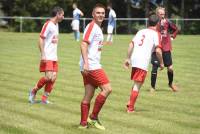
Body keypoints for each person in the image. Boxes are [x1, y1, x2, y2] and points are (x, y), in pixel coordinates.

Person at [79, 4, 112, 130]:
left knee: (89, 94)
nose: (101, 15)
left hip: (88, 65)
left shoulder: (98, 27)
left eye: (103, 13)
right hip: (91, 65)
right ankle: (93, 117)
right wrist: (86, 63)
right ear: (93, 14)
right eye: (98, 13)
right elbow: (83, 44)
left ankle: (82, 124)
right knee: (107, 89)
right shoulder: (92, 26)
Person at [124, 14, 164, 113]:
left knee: (137, 83)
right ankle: (130, 108)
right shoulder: (156, 34)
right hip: (143, 61)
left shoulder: (140, 31)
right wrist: (162, 63)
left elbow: (131, 44)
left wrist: (128, 58)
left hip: (135, 59)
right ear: (158, 23)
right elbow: (158, 51)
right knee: (138, 84)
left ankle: (130, 102)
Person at [28, 7, 64, 104]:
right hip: (47, 56)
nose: (63, 17)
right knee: (48, 77)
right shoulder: (48, 24)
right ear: (57, 14)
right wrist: (43, 54)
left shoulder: (56, 25)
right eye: (62, 15)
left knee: (53, 78)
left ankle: (44, 99)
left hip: (54, 57)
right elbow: (40, 39)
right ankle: (33, 91)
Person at [150, 7, 179, 92]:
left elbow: (176, 29)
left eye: (163, 14)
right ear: (157, 14)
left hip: (166, 48)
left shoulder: (167, 22)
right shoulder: (154, 23)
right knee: (154, 67)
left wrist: (173, 36)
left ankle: (170, 84)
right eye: (160, 14)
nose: (162, 16)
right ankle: (152, 87)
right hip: (157, 47)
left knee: (170, 68)